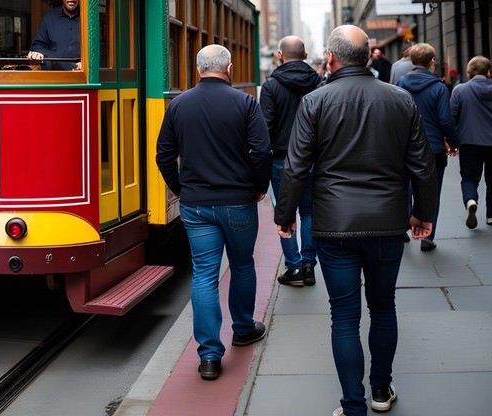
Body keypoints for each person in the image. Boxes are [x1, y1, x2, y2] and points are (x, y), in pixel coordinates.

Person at [275, 25, 436, 416]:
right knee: (383, 307)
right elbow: (423, 167)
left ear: (330, 58)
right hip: (387, 223)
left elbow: (296, 168)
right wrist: (423, 215)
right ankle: (381, 391)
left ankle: (353, 406)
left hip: (334, 225)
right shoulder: (401, 100)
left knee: (343, 315)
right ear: (368, 57)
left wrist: (286, 216)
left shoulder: (315, 102)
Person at [156, 44, 272, 382]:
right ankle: (243, 329)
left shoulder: (178, 105)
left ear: (197, 70)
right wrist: (259, 186)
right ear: (230, 68)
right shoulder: (246, 103)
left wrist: (179, 188)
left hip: (196, 205)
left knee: (204, 274)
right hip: (238, 201)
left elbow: (164, 154)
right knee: (242, 264)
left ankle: (208, 356)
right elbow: (262, 151)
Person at [259, 35, 324, 286]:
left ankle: (294, 267)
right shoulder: (319, 83)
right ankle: (309, 265)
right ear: (306, 56)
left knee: (284, 212)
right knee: (309, 211)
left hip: (281, 160)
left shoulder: (271, 85)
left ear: (279, 55)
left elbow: (265, 127)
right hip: (312, 158)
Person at [395, 42, 458, 250]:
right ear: (432, 61)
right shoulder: (439, 87)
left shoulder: (401, 84)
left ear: (413, 61)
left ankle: (403, 225)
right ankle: (428, 236)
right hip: (434, 149)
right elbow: (445, 120)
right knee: (433, 191)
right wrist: (453, 142)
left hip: (406, 146)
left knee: (405, 187)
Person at [450, 55, 492, 229]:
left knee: (469, 178)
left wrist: (452, 141)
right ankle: (491, 216)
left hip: (469, 142)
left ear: (469, 72)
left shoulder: (460, 90)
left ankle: (471, 200)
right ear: (489, 71)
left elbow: (452, 116)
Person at [27, 0, 82, 71]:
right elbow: (38, 46)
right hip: (56, 80)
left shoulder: (90, 20)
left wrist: (87, 65)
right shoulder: (48, 19)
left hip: (84, 80)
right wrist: (38, 53)